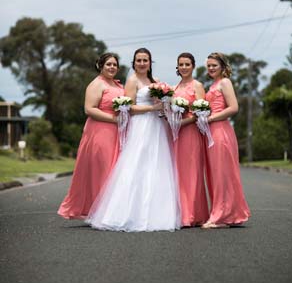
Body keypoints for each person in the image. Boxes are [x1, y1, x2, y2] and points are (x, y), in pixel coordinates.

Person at [86, 47, 181, 232]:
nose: (142, 63)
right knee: (136, 164)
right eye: (139, 60)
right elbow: (130, 108)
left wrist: (165, 107)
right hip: (141, 125)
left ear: (150, 62)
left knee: (157, 165)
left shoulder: (156, 81)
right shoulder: (132, 80)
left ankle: (158, 214)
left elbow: (163, 104)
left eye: (145, 60)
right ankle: (124, 213)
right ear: (134, 63)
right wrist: (153, 109)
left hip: (157, 128)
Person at [58, 53, 124, 220]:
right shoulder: (96, 84)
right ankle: (99, 212)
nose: (112, 67)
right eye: (108, 64)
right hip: (100, 131)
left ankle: (111, 210)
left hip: (118, 132)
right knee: (103, 171)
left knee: (115, 170)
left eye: (114, 64)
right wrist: (114, 119)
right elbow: (90, 109)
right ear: (100, 66)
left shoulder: (117, 84)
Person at [202, 52, 251, 229]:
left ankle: (221, 217)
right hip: (211, 131)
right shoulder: (213, 84)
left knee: (222, 173)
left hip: (221, 131)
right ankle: (226, 213)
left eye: (214, 65)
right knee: (216, 174)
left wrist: (210, 118)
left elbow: (234, 108)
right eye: (208, 65)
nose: (211, 68)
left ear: (223, 66)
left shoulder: (225, 82)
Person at [173, 52, 209, 226]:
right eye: (181, 64)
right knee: (178, 172)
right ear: (177, 67)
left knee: (192, 172)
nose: (184, 67)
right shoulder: (174, 88)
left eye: (187, 64)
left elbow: (200, 114)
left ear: (193, 66)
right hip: (175, 135)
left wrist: (182, 123)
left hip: (191, 133)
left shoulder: (198, 86)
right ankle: (180, 213)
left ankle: (193, 214)